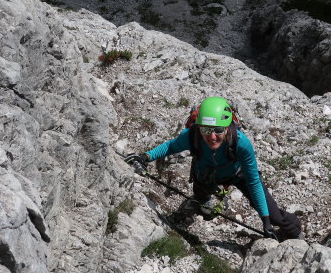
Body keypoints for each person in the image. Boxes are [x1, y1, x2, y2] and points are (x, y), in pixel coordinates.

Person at [125, 96, 302, 241]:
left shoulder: (241, 144)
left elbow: (253, 181)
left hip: (238, 175)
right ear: (199, 127)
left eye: (218, 130)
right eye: (206, 129)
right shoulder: (192, 136)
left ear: (227, 128)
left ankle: (295, 233)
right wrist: (145, 157)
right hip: (205, 175)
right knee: (206, 209)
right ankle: (200, 205)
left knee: (275, 216)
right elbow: (170, 147)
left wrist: (265, 221)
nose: (212, 136)